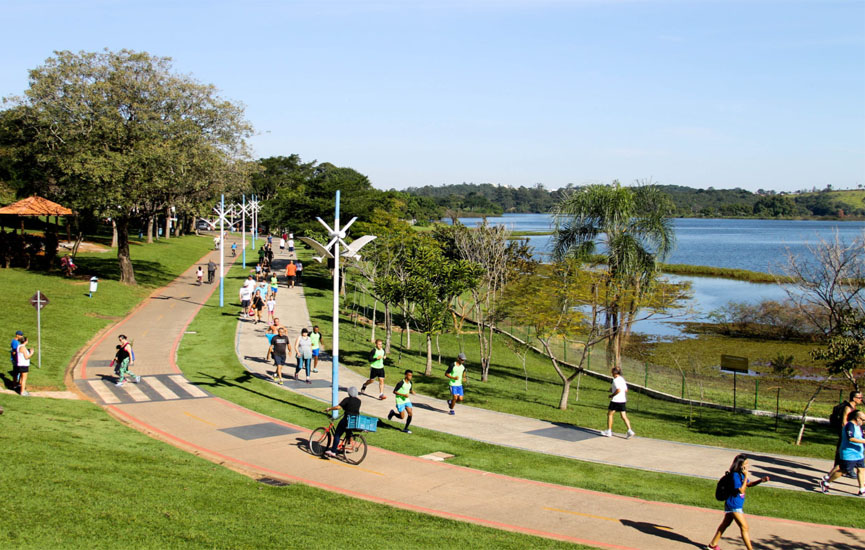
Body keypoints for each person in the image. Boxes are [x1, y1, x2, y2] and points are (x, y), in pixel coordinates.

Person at [705, 455, 769, 550]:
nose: (747, 466)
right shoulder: (735, 475)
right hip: (734, 505)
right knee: (745, 527)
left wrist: (760, 481)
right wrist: (746, 475)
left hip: (734, 504)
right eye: (745, 464)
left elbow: (748, 484)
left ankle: (712, 545)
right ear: (740, 465)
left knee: (725, 524)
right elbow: (741, 490)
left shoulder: (741, 474)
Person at [820, 409, 865, 496]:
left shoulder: (857, 426)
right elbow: (850, 438)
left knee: (861, 469)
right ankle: (826, 482)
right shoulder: (850, 426)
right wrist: (864, 441)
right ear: (858, 418)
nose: (864, 422)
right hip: (849, 454)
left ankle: (862, 489)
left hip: (858, 453)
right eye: (863, 420)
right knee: (843, 471)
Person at [824, 390, 862, 481]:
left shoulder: (854, 407)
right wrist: (848, 434)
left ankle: (847, 470)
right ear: (854, 398)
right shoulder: (848, 408)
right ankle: (829, 477)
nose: (861, 399)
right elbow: (844, 422)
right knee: (841, 457)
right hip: (846, 436)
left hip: (850, 434)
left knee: (847, 456)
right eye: (859, 398)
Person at [323, 386, 362, 458]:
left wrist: (330, 409)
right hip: (354, 420)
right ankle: (348, 440)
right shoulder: (359, 401)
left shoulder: (347, 399)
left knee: (337, 434)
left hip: (346, 419)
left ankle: (333, 451)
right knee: (348, 430)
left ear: (349, 393)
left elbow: (338, 407)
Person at [602, 366, 635, 439]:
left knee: (610, 414)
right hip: (622, 400)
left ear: (614, 373)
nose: (611, 374)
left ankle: (609, 431)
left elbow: (618, 390)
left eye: (612, 372)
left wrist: (612, 395)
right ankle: (630, 430)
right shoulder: (622, 379)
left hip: (616, 400)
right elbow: (625, 390)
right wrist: (612, 389)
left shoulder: (615, 380)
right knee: (623, 416)